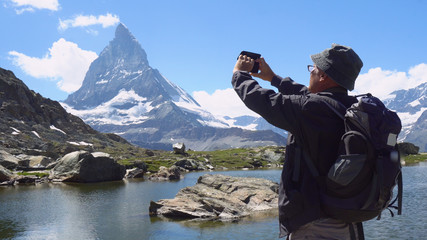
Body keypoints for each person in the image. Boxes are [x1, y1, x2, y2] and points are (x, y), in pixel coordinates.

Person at [232, 44, 364, 239]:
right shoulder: (354, 108)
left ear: (323, 76)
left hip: (315, 223)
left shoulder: (311, 109)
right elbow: (308, 96)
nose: (310, 73)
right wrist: (274, 79)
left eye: (313, 69)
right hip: (349, 219)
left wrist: (240, 75)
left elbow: (262, 100)